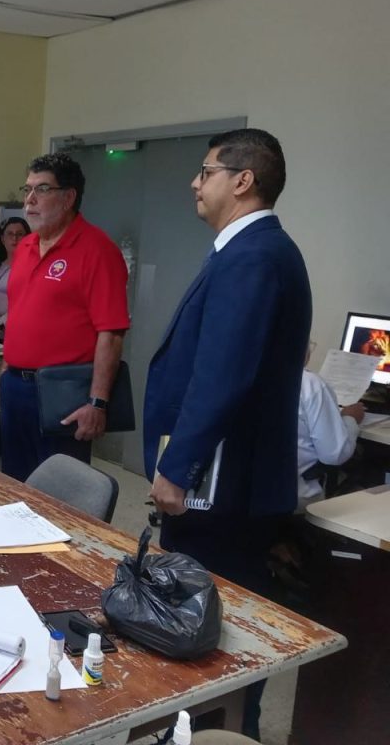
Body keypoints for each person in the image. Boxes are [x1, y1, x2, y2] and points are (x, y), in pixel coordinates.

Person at [143, 128, 311, 740]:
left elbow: (223, 375)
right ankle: (202, 728)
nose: (195, 182)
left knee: (217, 629)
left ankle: (224, 733)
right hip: (223, 476)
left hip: (225, 485)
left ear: (243, 181)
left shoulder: (255, 256)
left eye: (206, 171)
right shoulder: (244, 250)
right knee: (202, 620)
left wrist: (176, 468)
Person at [0, 153, 130, 481]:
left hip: (63, 391)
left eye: (42, 189)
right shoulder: (25, 246)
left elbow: (111, 333)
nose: (29, 199)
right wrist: (6, 367)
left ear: (68, 197)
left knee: (56, 489)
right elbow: (19, 312)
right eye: (27, 189)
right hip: (15, 386)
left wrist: (98, 402)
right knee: (14, 481)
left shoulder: (97, 250)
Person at [298, 367, 363, 506]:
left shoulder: (250, 374)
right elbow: (334, 455)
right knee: (364, 480)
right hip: (299, 497)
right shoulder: (310, 383)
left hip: (253, 497)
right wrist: (350, 418)